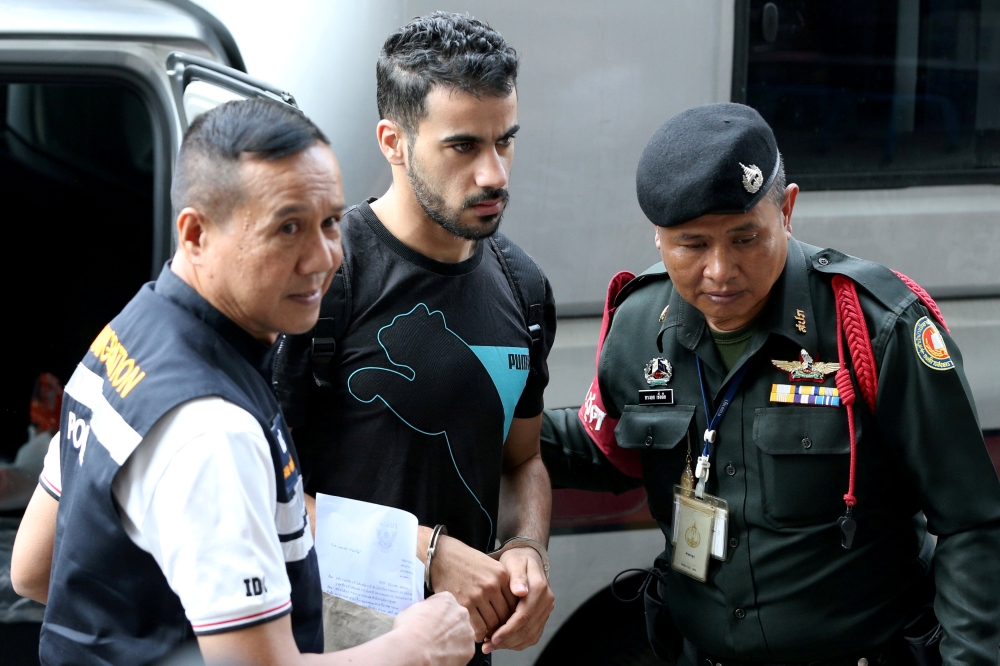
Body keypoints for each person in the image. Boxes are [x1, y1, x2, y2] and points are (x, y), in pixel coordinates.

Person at [10, 99, 475, 666]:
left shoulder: (128, 336)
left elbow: (36, 569)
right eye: (287, 228)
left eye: (331, 221)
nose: (323, 257)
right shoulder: (213, 430)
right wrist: (416, 647)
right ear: (196, 234)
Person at [541, 103, 1000, 665]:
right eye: (692, 244)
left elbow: (973, 522)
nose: (720, 271)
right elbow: (602, 447)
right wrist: (461, 420)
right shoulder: (640, 325)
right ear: (657, 237)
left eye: (744, 239)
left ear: (786, 209)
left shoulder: (875, 328)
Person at [273, 12, 555, 661]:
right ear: (393, 142)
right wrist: (426, 551)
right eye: (463, 146)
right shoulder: (324, 278)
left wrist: (525, 548)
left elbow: (522, 460)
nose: (494, 174)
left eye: (505, 141)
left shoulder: (523, 287)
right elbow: (255, 493)